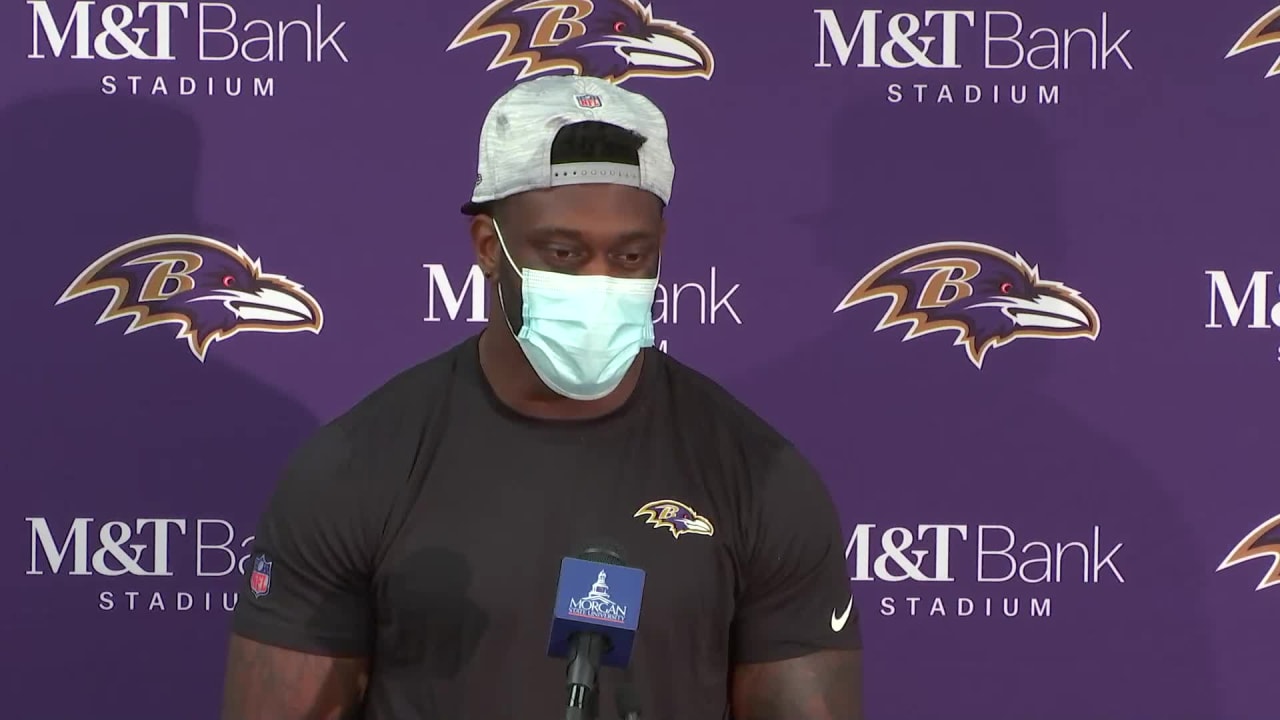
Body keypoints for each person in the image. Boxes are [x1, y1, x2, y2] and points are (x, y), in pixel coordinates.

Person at [219, 74, 863, 720]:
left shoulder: (759, 476)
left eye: (631, 255)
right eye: (563, 252)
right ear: (488, 249)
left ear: (661, 249)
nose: (601, 281)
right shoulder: (357, 466)